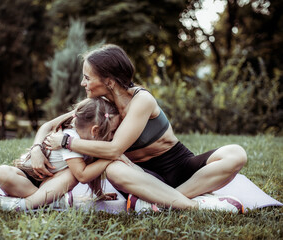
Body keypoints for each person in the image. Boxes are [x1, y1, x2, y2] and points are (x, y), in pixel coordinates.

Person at [41, 44, 247, 213]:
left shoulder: (142, 100)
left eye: (87, 77)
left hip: (180, 166)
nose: (82, 83)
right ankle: (188, 204)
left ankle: (162, 201)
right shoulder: (100, 107)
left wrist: (68, 142)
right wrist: (35, 150)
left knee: (236, 154)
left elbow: (114, 149)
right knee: (113, 169)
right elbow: (49, 126)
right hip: (140, 176)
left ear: (109, 82)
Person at [0, 97, 121, 211]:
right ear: (95, 131)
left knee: (72, 173)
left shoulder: (89, 142)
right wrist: (111, 156)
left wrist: (99, 194)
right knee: (1, 173)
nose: (114, 136)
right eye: (113, 132)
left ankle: (39, 201)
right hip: (27, 177)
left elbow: (91, 168)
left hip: (51, 182)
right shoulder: (70, 138)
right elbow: (83, 175)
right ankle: (37, 203)